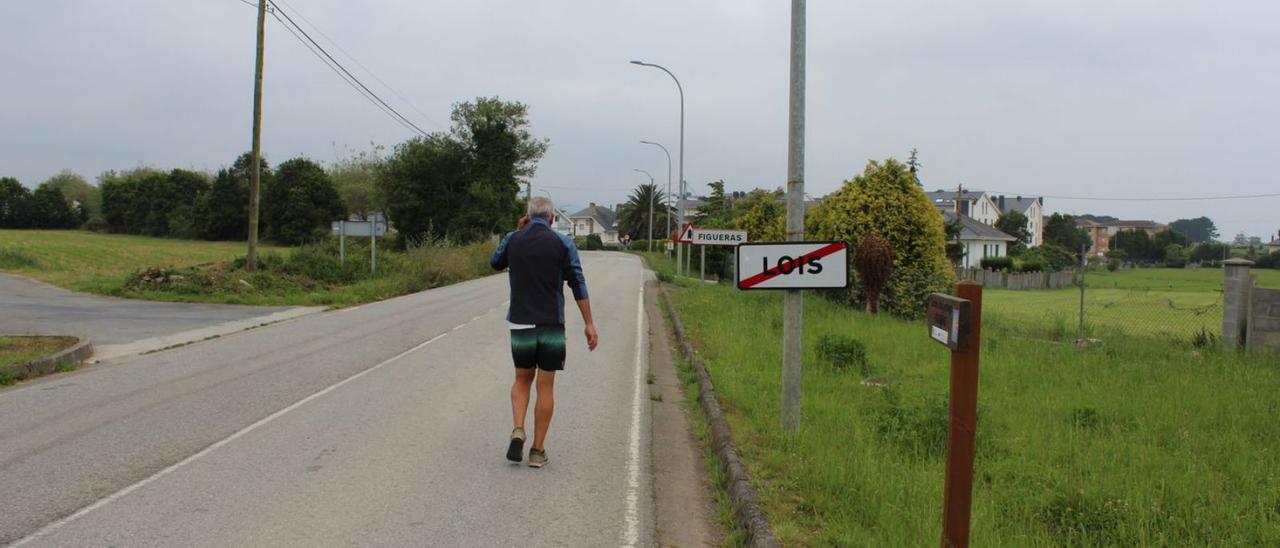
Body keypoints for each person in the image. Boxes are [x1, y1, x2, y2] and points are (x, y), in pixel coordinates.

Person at [490, 197, 598, 468]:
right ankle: (537, 451)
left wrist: (516, 231)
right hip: (551, 323)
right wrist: (589, 323)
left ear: (527, 216)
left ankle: (518, 428)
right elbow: (577, 282)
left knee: (522, 379)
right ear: (552, 218)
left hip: (521, 322)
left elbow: (495, 262)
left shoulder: (514, 239)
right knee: (545, 385)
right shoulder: (563, 243)